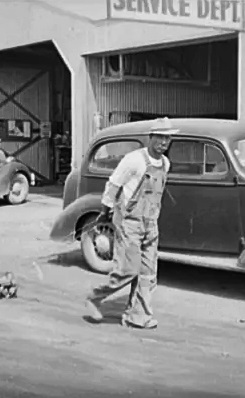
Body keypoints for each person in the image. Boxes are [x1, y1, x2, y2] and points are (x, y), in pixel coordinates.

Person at [85, 117, 175, 329]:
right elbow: (114, 185)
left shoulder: (165, 164)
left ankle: (137, 316)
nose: (164, 142)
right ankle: (94, 296)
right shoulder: (134, 160)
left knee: (148, 275)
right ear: (150, 138)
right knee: (127, 270)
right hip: (129, 223)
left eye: (168, 138)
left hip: (151, 225)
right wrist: (105, 211)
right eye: (160, 137)